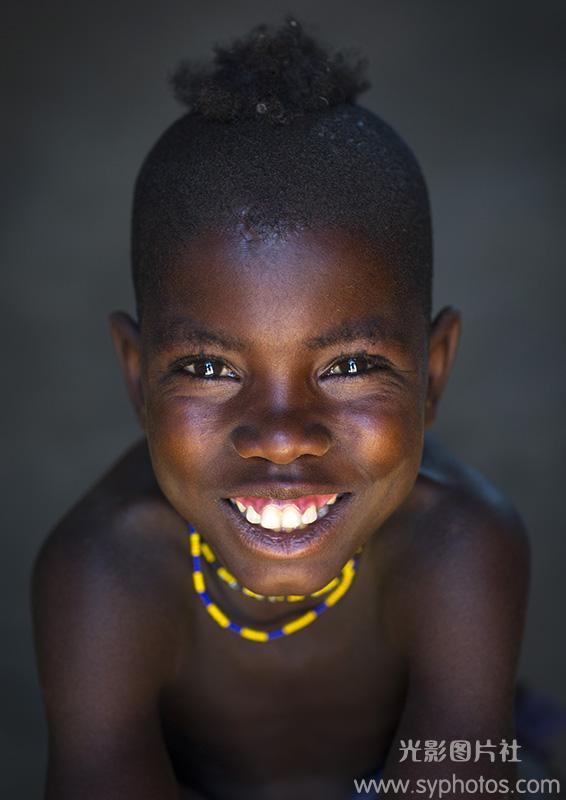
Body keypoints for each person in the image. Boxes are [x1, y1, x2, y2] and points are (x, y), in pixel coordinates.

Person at [32, 17, 544, 800]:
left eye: (349, 365)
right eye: (207, 366)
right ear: (136, 378)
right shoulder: (105, 572)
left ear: (434, 372)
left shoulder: (459, 545)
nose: (280, 437)